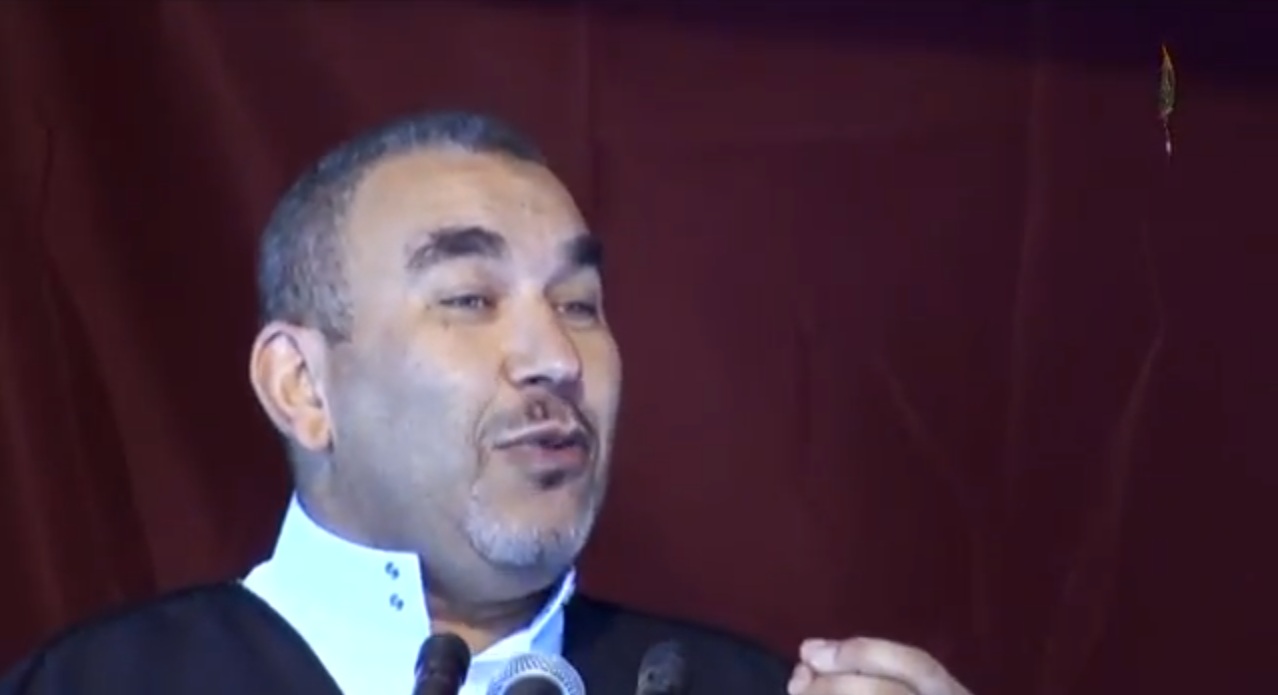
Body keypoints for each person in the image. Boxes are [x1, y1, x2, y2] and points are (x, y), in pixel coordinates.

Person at [0, 110, 975, 695]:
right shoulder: (95, 685)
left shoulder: (746, 690)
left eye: (580, 304)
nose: (556, 357)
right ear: (302, 386)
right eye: (469, 298)